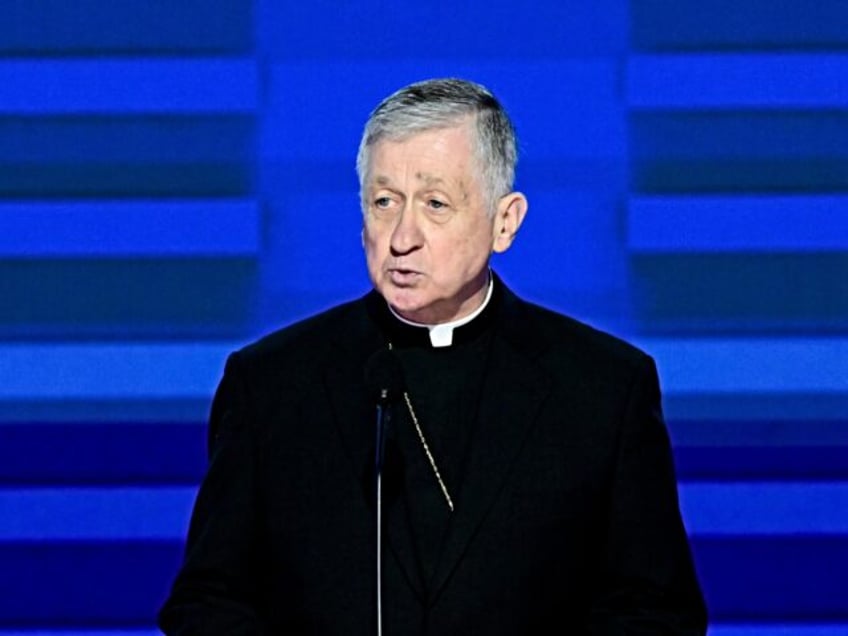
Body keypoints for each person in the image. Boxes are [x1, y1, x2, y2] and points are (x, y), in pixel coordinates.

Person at [158, 77, 707, 634]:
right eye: (383, 202)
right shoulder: (271, 384)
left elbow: (654, 612)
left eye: (436, 203)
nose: (402, 237)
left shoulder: (603, 390)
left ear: (505, 222)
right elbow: (210, 602)